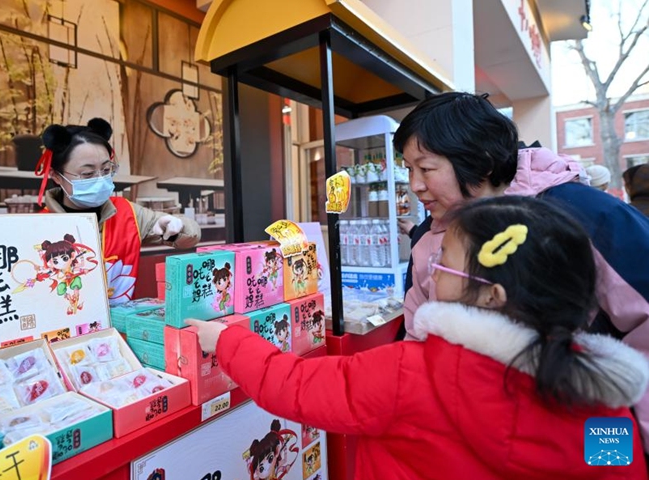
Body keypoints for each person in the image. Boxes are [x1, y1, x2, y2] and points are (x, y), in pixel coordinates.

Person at [188, 196, 649, 479]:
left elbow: (294, 385)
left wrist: (226, 340)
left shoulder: (410, 372)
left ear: (492, 295)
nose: (432, 267)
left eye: (445, 258)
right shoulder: (606, 405)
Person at [394, 92, 649, 453]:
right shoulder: (426, 238)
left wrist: (620, 450)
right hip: (476, 445)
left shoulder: (583, 214)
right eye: (408, 169)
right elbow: (415, 337)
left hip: (577, 437)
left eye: (426, 168)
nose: (415, 185)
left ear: (480, 163)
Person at [35, 118, 201, 306]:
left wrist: (176, 227)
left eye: (106, 170)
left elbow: (191, 236)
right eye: (88, 174)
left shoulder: (127, 212)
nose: (100, 179)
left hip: (119, 330)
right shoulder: (37, 228)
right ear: (56, 176)